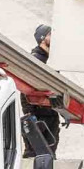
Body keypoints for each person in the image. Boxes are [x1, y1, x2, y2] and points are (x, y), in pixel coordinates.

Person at [24, 24, 61, 157]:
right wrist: (30, 116)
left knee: (50, 153)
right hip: (38, 116)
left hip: (51, 114)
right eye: (50, 34)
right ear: (42, 38)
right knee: (34, 153)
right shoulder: (36, 60)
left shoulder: (52, 58)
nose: (54, 37)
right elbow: (26, 91)